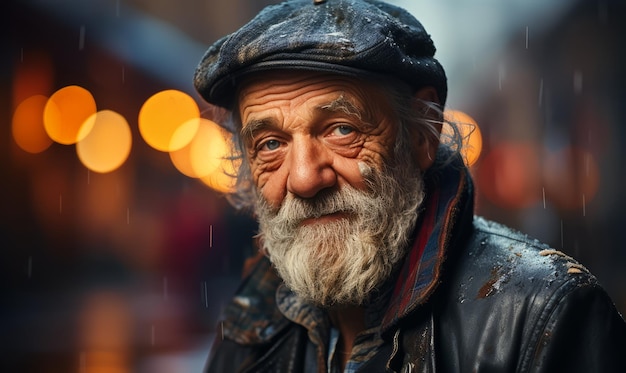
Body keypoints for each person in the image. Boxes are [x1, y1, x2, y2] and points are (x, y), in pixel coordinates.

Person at [193, 0, 626, 371]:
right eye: (270, 144)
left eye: (342, 130)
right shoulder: (252, 320)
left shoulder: (543, 317)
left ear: (422, 134)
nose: (305, 178)